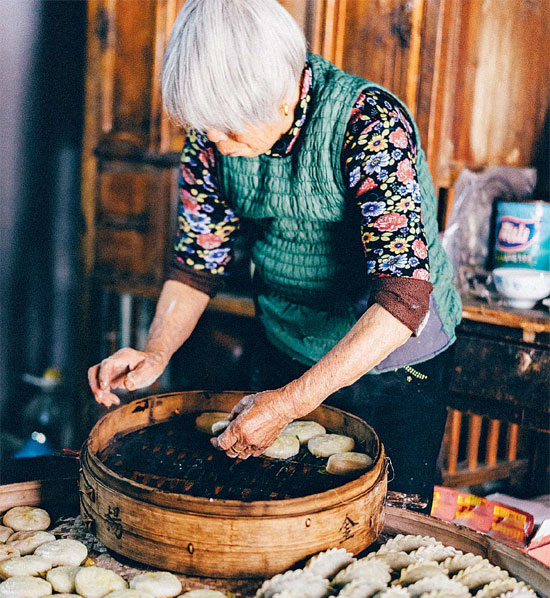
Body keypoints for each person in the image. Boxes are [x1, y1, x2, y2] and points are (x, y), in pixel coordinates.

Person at [88, 0, 461, 510]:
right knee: (270, 505)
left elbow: (404, 295)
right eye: (208, 128)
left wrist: (291, 402)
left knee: (387, 517)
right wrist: (156, 352)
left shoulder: (370, 123)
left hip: (392, 355)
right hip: (286, 336)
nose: (215, 142)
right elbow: (198, 262)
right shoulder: (211, 140)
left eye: (230, 129)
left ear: (282, 101)